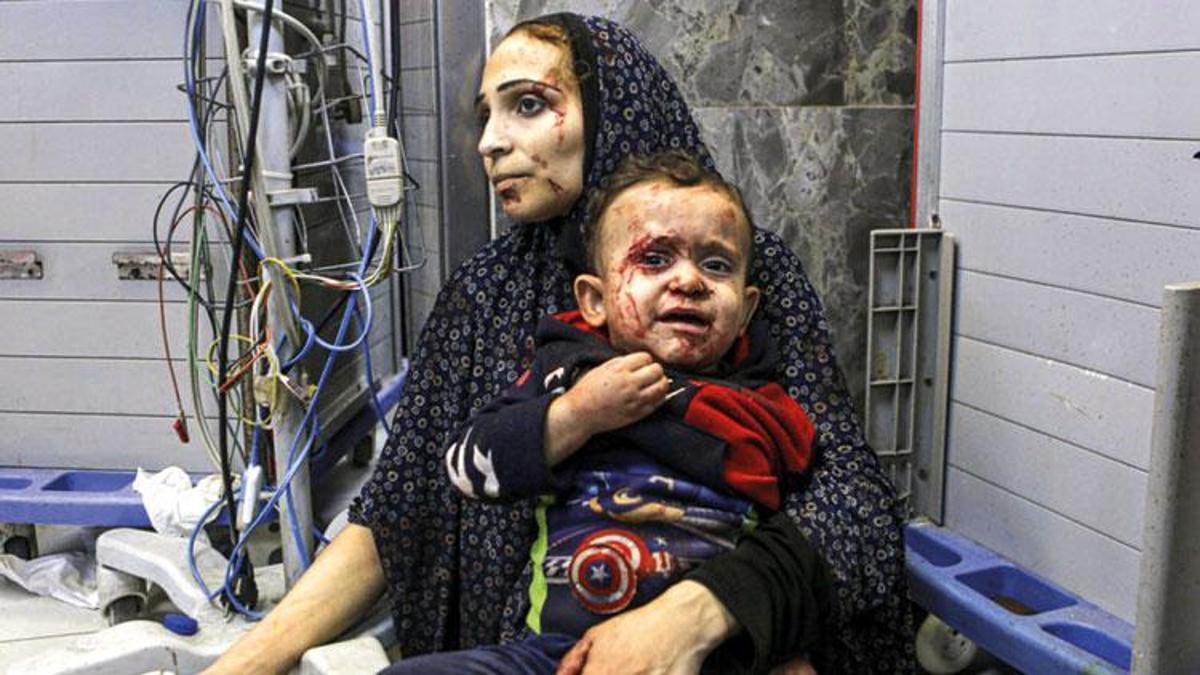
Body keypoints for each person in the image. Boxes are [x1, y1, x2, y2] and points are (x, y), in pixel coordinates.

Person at [206, 13, 912, 675]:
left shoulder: (746, 276)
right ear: (590, 298)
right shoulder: (484, 291)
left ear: (614, 112)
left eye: (528, 105)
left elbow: (850, 502)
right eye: (485, 115)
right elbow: (400, 507)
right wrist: (248, 661)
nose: (490, 142)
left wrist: (695, 614)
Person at [389, 151, 817, 672]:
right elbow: (466, 468)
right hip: (554, 655)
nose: (690, 280)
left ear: (746, 311)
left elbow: (807, 534)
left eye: (716, 265)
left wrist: (783, 642)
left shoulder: (762, 409)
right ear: (594, 301)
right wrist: (576, 415)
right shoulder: (568, 373)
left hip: (709, 658)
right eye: (654, 259)